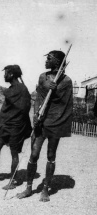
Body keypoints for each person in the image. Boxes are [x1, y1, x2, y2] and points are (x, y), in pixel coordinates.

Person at [16, 50, 73, 202]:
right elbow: (38, 99)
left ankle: (45, 189)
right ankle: (28, 188)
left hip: (56, 121)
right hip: (41, 120)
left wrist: (56, 90)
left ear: (57, 62)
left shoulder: (66, 81)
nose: (46, 61)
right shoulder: (43, 76)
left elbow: (65, 104)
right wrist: (35, 115)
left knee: (51, 156)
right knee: (34, 154)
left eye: (49, 59)